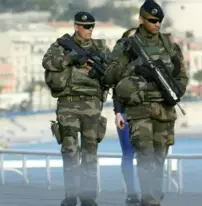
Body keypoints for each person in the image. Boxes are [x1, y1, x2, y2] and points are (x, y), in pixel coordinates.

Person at [103, 0, 189, 205]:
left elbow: (182, 76)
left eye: (159, 20)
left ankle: (152, 197)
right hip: (139, 110)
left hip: (165, 110)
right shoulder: (127, 46)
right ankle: (149, 201)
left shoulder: (169, 45)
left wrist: (175, 92)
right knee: (145, 157)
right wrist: (128, 60)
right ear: (141, 19)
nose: (157, 23)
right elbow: (109, 76)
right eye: (152, 20)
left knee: (158, 159)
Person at [41, 11, 110, 206]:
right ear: (76, 27)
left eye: (92, 27)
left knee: (90, 152)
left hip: (92, 104)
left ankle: (88, 197)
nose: (90, 30)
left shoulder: (100, 48)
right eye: (86, 27)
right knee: (69, 150)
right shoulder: (61, 46)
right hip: (68, 103)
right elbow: (47, 62)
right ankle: (71, 195)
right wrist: (68, 59)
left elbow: (112, 72)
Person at [113, 27, 140, 206]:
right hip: (125, 113)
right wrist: (117, 113)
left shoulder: (147, 61)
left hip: (146, 112)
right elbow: (115, 90)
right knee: (128, 154)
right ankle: (131, 192)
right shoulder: (119, 64)